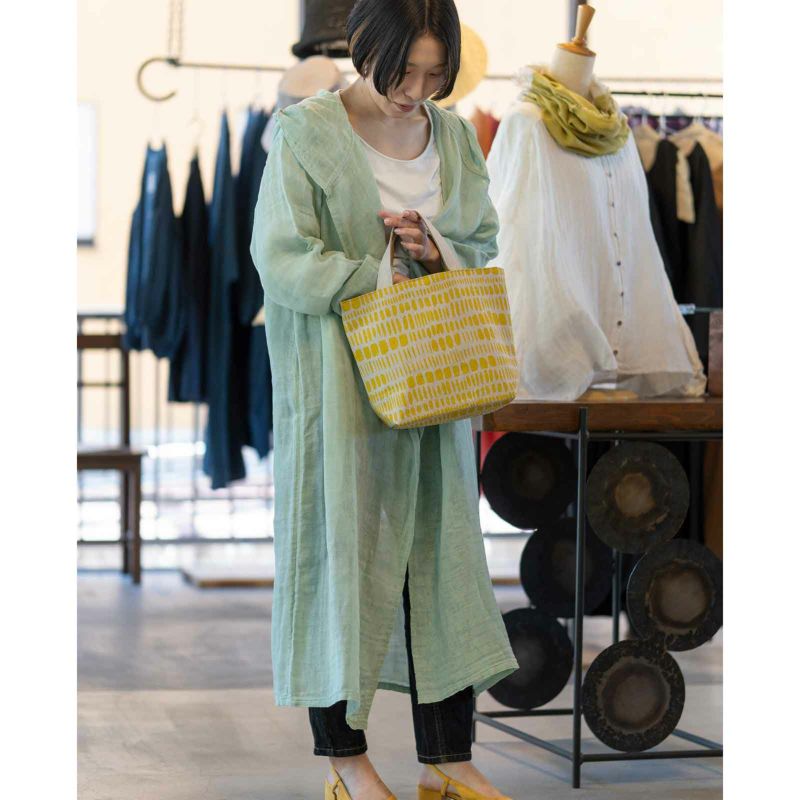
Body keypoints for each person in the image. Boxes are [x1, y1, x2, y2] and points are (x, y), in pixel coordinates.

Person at [249, 1, 518, 798]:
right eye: (405, 71)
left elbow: (481, 237)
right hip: (337, 378)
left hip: (431, 374)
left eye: (436, 74)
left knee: (443, 558)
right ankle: (346, 762)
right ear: (367, 47)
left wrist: (435, 247)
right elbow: (279, 254)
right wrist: (373, 274)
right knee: (340, 554)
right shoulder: (308, 132)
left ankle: (449, 759)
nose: (417, 90)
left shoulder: (454, 135)